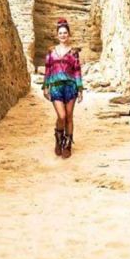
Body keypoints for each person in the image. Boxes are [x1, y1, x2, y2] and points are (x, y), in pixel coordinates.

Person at [42, 18, 83, 158]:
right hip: (56, 87)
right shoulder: (51, 52)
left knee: (69, 117)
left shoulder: (73, 52)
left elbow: (77, 71)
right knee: (62, 116)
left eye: (65, 33)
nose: (63, 35)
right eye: (60, 33)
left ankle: (67, 145)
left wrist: (80, 90)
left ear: (69, 34)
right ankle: (59, 140)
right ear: (57, 35)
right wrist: (45, 87)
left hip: (70, 87)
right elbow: (47, 70)